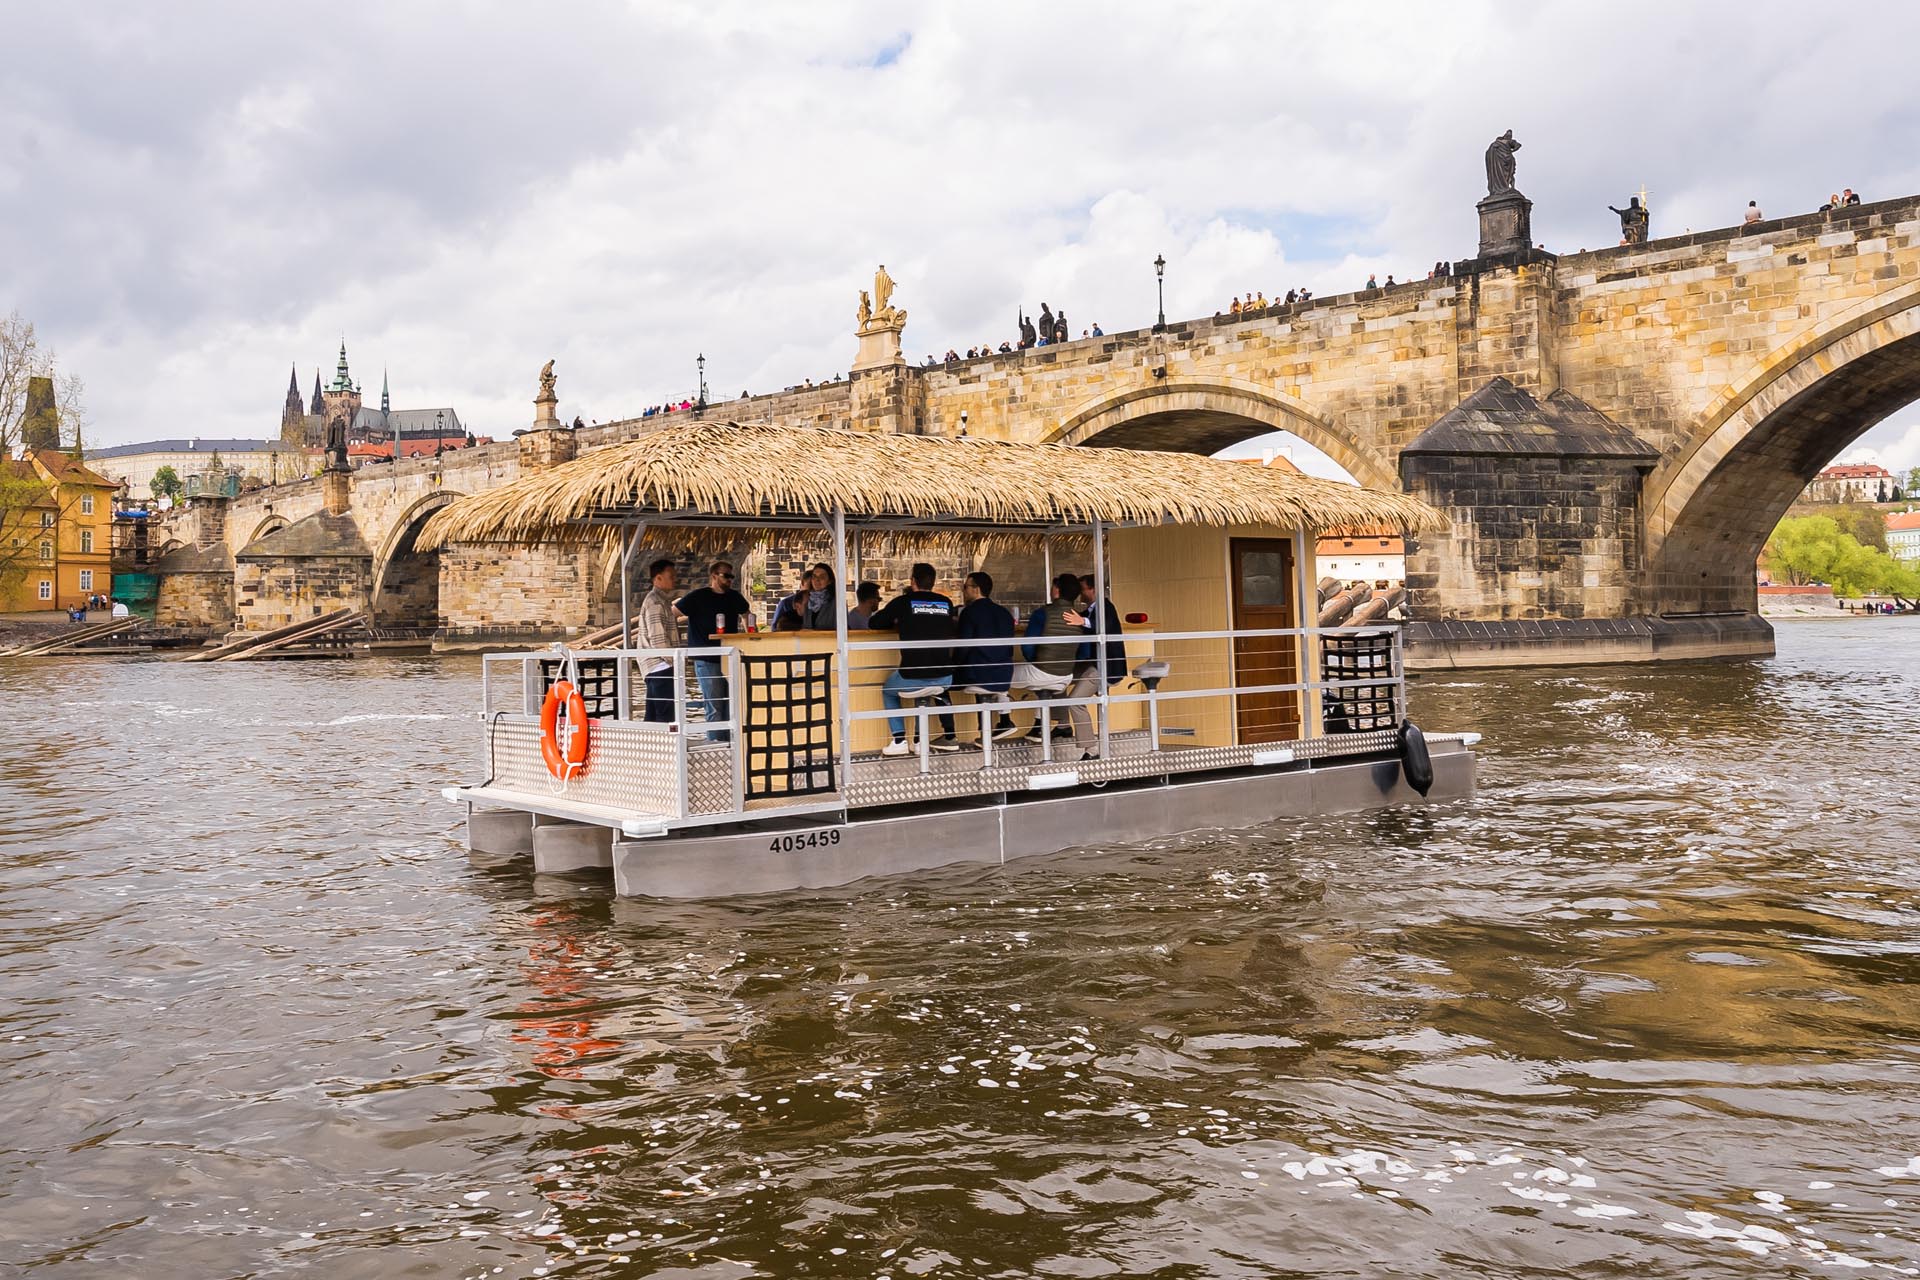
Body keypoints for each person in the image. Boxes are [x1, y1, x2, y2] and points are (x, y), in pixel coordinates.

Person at [870, 563, 957, 756]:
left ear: (913, 581)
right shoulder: (946, 603)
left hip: (913, 675)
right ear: (933, 582)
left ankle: (899, 740)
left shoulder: (903, 602)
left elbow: (875, 622)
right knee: (922, 694)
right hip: (945, 678)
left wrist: (898, 621)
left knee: (888, 690)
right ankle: (919, 741)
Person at [675, 561, 749, 742]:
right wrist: (673, 640)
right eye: (726, 576)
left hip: (729, 657)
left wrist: (748, 639)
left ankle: (730, 744)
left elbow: (747, 615)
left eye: (731, 576)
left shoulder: (734, 597)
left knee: (731, 704)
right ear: (714, 575)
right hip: (706, 658)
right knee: (714, 705)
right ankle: (716, 744)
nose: (730, 579)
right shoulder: (697, 596)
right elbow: (673, 613)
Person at [1018, 572, 1089, 743]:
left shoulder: (1042, 614)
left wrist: (1036, 662)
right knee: (1044, 687)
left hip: (1041, 673)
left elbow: (1027, 646)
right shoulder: (1079, 618)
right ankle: (1038, 727)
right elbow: (1084, 653)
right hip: (1065, 676)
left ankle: (1003, 721)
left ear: (1057, 590)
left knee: (999, 675)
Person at [952, 571, 1019, 742]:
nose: (964, 591)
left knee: (937, 679)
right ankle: (996, 726)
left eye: (965, 587)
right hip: (1004, 674)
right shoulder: (1004, 613)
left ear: (976, 589)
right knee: (982, 667)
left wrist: (952, 665)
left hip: (979, 674)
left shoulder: (969, 612)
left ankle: (949, 734)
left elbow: (963, 647)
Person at [1066, 573, 1128, 758]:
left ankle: (1091, 749)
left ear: (1092, 589)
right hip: (1093, 663)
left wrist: (1082, 622)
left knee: (1075, 701)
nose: (1080, 593)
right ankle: (1062, 725)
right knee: (1058, 676)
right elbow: (1083, 620)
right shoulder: (1091, 610)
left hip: (1105, 668)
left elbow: (1103, 625)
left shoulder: (1106, 607)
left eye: (1082, 589)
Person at [637, 558, 679, 723]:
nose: (674, 579)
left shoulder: (660, 601)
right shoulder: (655, 602)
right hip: (661, 666)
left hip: (655, 666)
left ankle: (649, 740)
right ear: (658, 578)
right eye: (671, 576)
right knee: (665, 716)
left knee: (654, 716)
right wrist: (676, 662)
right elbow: (658, 639)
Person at [772, 563, 838, 631]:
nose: (817, 580)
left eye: (822, 577)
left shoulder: (836, 602)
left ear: (830, 581)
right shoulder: (809, 602)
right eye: (814, 576)